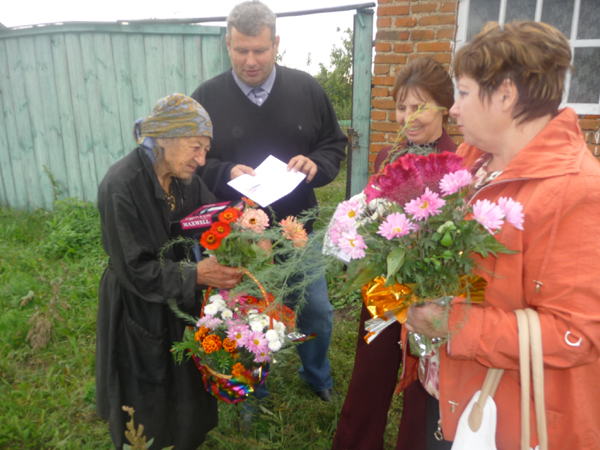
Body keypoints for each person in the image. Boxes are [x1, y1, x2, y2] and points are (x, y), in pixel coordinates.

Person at [402, 21, 600, 449]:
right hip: (454, 394)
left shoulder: (577, 190)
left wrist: (452, 323)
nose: (453, 109)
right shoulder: (474, 162)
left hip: (514, 417)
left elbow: (576, 335)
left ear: (506, 96)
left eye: (465, 93)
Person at [190, 0, 347, 403]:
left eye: (259, 50)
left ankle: (316, 375)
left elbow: (333, 143)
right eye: (241, 50)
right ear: (227, 44)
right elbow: (191, 163)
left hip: (298, 229)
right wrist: (225, 173)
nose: (251, 60)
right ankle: (252, 391)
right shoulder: (206, 98)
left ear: (276, 43)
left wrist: (315, 164)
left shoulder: (306, 89)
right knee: (246, 317)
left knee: (315, 311)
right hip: (237, 235)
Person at [95, 93, 243, 450]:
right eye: (196, 147)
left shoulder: (184, 179)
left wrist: (244, 229)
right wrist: (196, 275)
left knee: (183, 388)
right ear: (163, 138)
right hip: (137, 308)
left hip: (180, 302)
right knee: (145, 393)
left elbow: (213, 215)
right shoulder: (122, 185)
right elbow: (135, 269)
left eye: (205, 149)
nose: (202, 159)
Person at [333, 57, 456, 450]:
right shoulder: (388, 153)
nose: (408, 116)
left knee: (422, 388)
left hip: (431, 292)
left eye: (418, 105)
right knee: (369, 376)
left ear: (445, 106)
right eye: (401, 106)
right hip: (383, 287)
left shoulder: (461, 164)